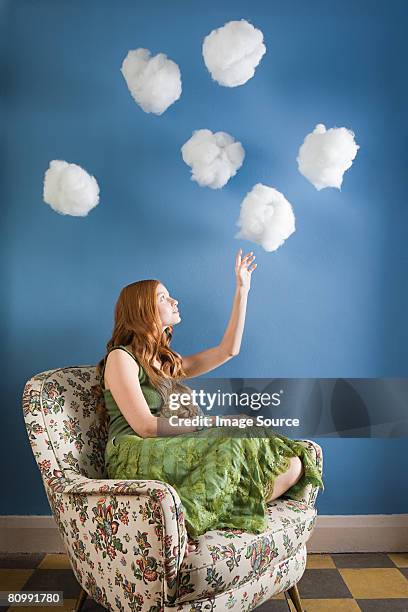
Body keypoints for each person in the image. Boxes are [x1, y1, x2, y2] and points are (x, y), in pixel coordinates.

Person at [97, 249, 324, 577]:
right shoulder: (121, 358)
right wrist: (211, 423)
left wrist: (242, 291)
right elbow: (145, 427)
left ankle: (216, 511)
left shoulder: (167, 362)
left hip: (169, 445)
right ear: (142, 309)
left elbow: (227, 350)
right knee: (233, 435)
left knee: (291, 461)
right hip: (134, 450)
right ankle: (187, 521)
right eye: (164, 297)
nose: (174, 301)